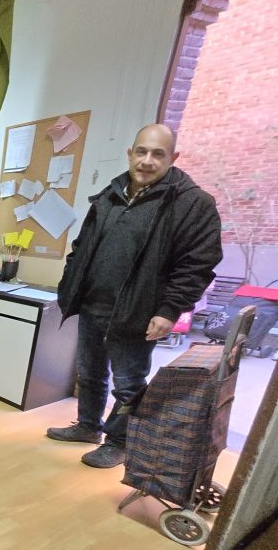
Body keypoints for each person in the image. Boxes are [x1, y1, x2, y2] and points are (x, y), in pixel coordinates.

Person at [47, 123, 222, 468]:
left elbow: (197, 265)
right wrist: (71, 285)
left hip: (138, 313)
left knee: (128, 383)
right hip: (94, 304)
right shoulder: (110, 196)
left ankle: (120, 441)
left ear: (173, 158)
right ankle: (87, 426)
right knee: (89, 373)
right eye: (141, 151)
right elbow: (82, 247)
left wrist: (169, 310)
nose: (147, 160)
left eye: (158, 154)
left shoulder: (192, 204)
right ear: (130, 154)